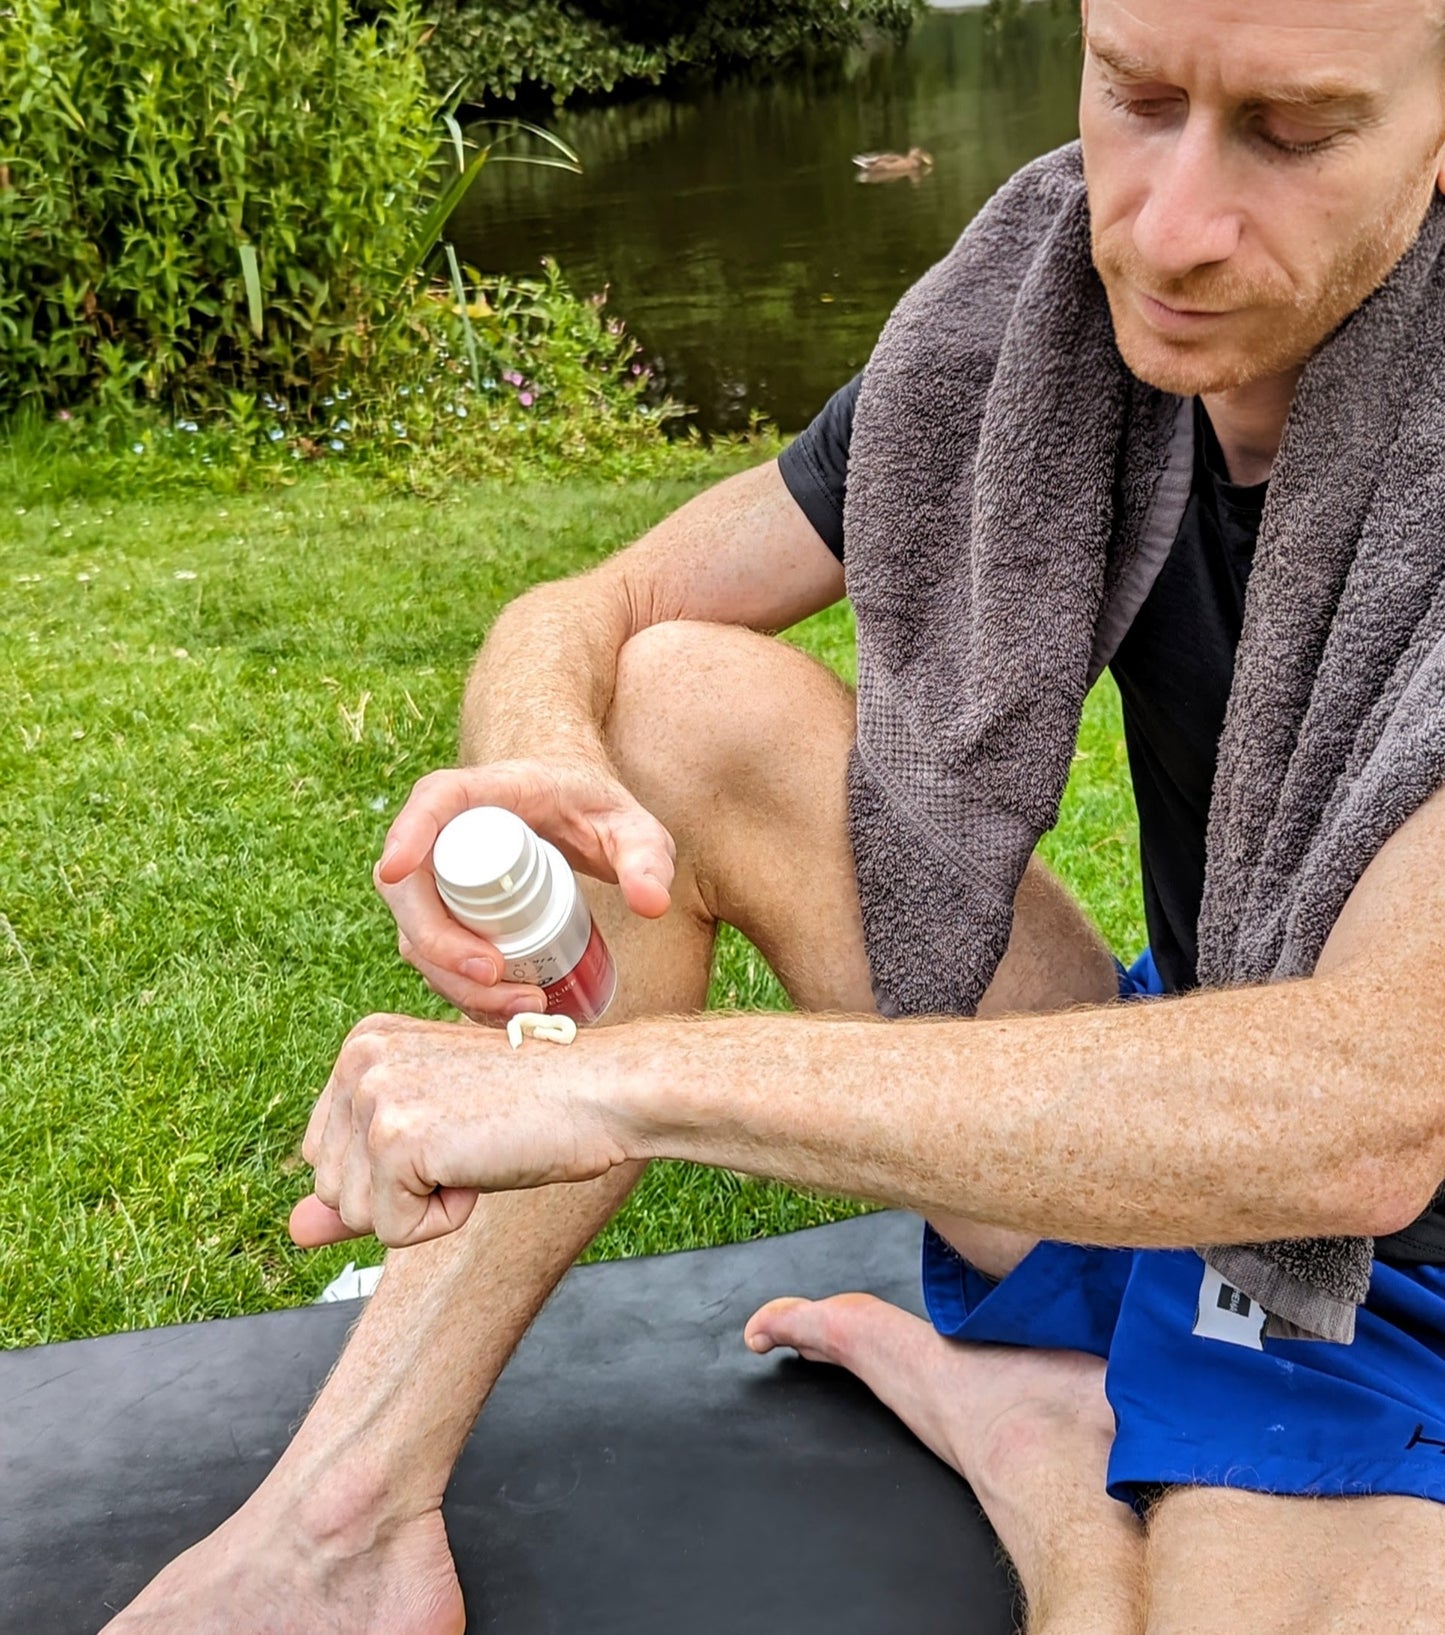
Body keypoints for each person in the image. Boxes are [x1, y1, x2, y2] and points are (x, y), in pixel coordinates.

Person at [106, 0, 1445, 1630]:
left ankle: (1047, 1465)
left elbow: (1374, 1109)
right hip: (1199, 1135)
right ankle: (343, 1519)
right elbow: (592, 610)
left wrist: (623, 1085)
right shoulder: (1034, 317)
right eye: (1135, 93)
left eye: (1292, 135)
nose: (1163, 229)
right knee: (678, 702)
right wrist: (540, 762)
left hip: (1379, 1251)